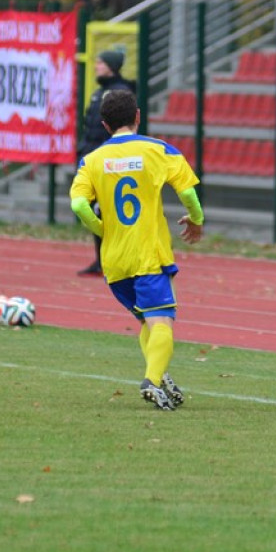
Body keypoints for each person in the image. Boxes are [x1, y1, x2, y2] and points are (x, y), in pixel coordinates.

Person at [69, 89, 204, 411]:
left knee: (147, 321)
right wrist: (196, 220)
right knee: (162, 323)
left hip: (114, 261)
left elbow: (78, 205)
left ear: (104, 124)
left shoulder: (92, 160)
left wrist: (103, 230)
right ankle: (152, 381)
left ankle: (158, 372)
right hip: (148, 256)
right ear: (138, 116)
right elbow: (187, 193)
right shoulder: (158, 150)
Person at [76, 50, 137, 276]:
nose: (96, 66)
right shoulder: (99, 93)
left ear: (111, 66)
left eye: (100, 62)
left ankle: (119, 259)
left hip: (111, 163)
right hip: (93, 161)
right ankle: (102, 260)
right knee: (95, 211)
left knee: (110, 213)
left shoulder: (121, 93)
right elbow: (90, 126)